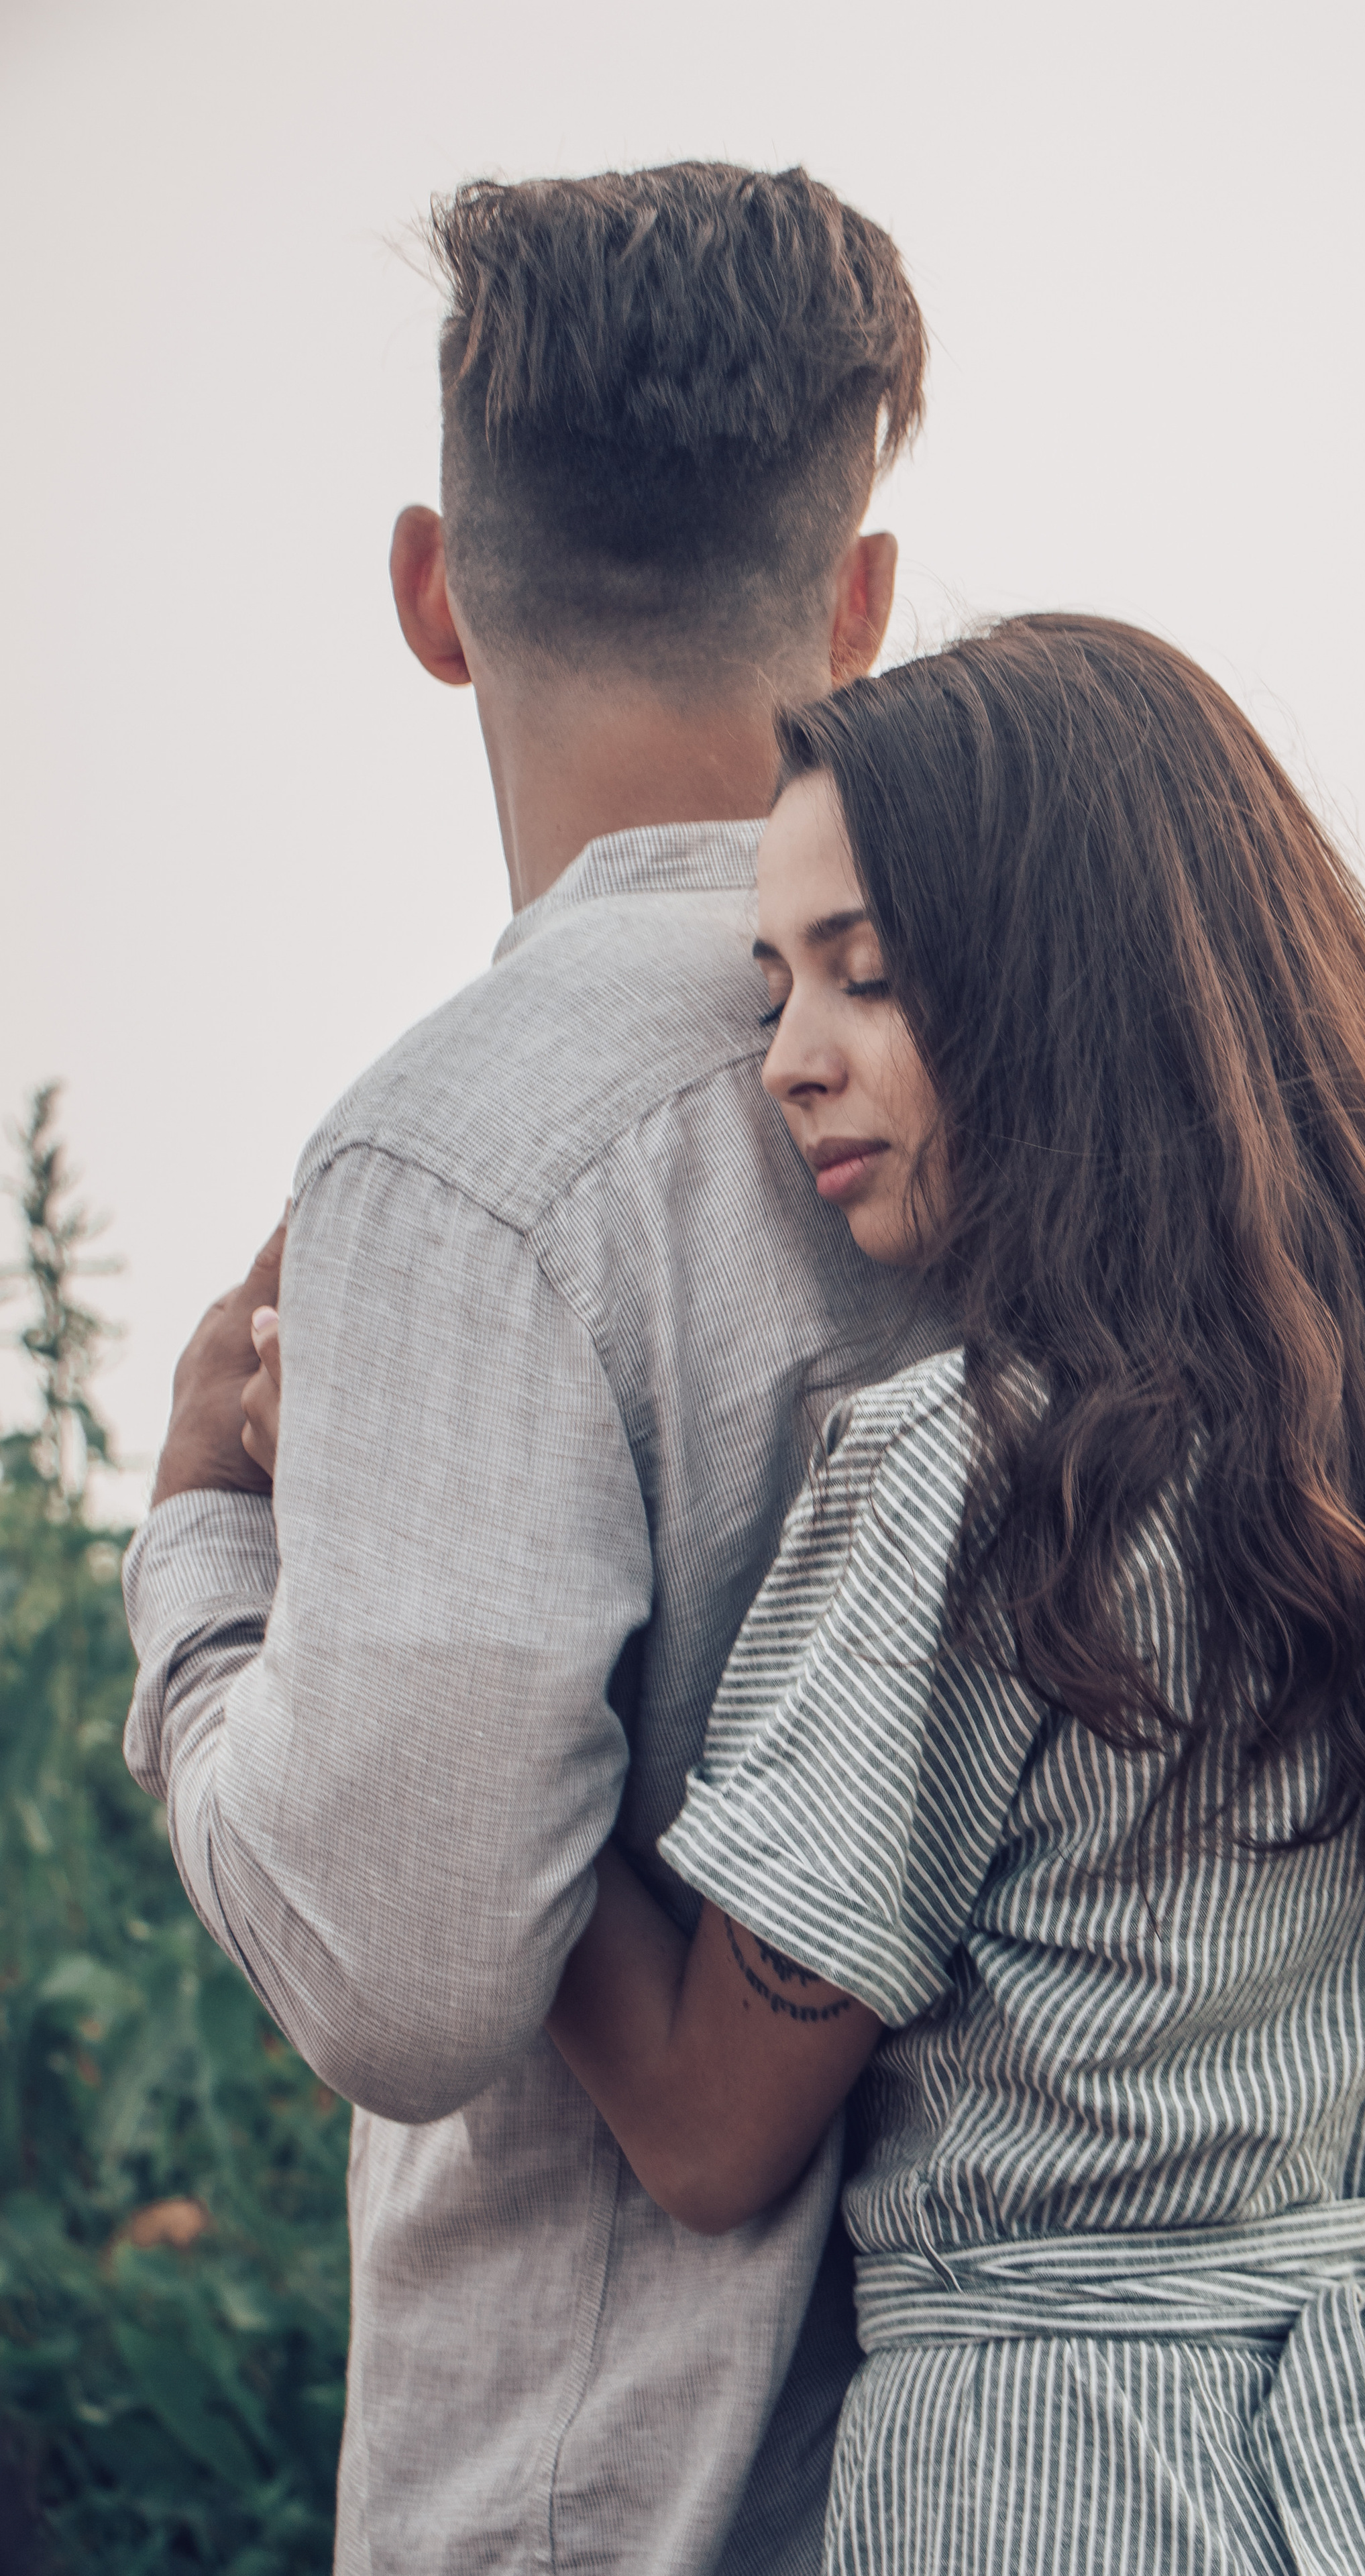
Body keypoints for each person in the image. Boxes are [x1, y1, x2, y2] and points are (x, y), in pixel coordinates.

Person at [529, 616, 1365, 2573]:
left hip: (1065, 2492)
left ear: (1079, 997)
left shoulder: (981, 1481)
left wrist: (471, 1721)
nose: (789, 1062)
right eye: (771, 991)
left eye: (872, 977)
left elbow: (706, 2132)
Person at [122, 163, 943, 2576]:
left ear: (428, 591)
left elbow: (403, 1980)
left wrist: (208, 1550)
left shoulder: (454, 1163)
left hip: (612, 2508)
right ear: (865, 605)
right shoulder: (1066, 1073)